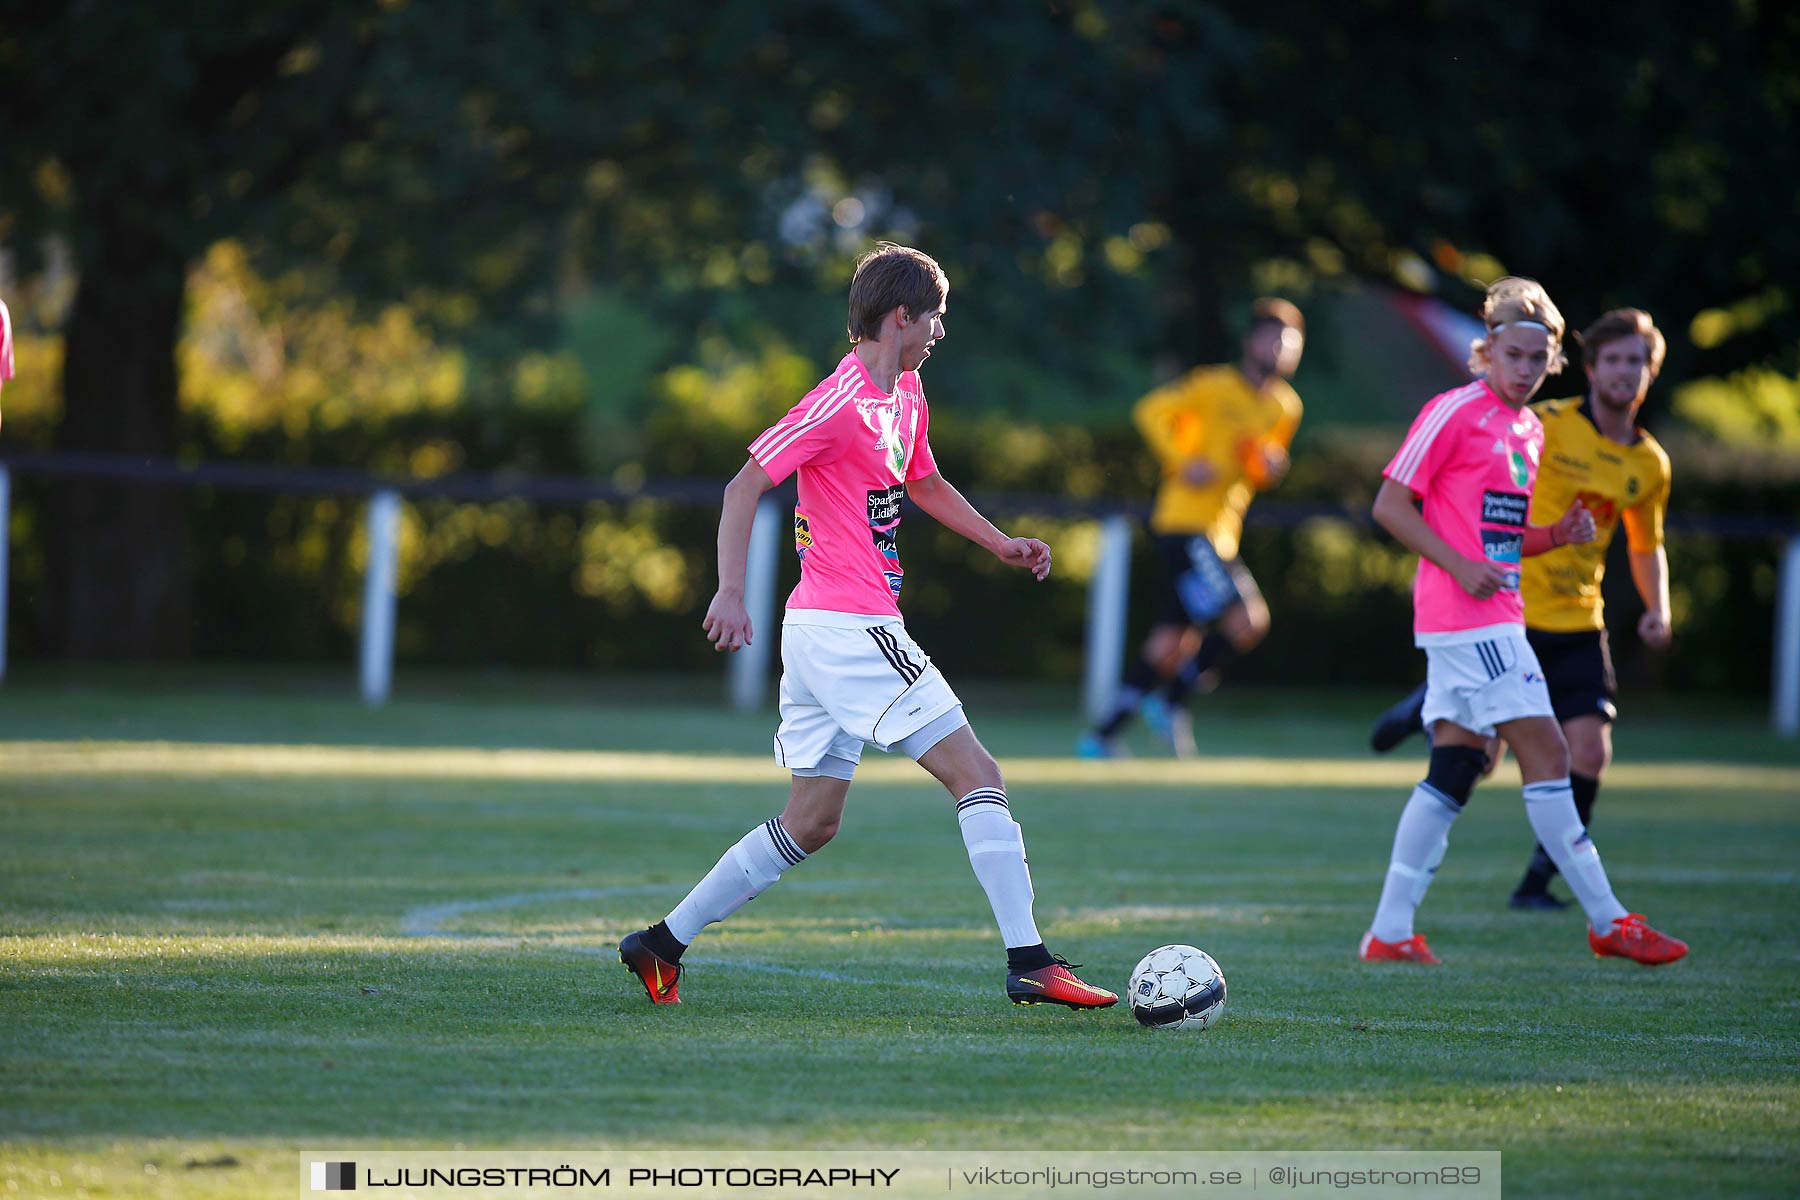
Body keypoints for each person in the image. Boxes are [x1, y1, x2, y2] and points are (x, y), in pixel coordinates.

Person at [618, 243, 1117, 1010]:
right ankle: (1031, 960)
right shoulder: (836, 403)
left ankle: (661, 944)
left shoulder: (907, 393)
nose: (940, 334)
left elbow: (924, 481)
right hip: (849, 629)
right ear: (899, 317)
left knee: (812, 822)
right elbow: (743, 485)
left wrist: (1000, 542)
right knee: (978, 775)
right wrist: (727, 591)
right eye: (936, 319)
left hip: (827, 635)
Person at [1358, 277, 1685, 967]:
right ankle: (1609, 920)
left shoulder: (1529, 429)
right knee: (1552, 754)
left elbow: (1497, 540)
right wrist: (1456, 564)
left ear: (1556, 359)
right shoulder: (1454, 410)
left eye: (1540, 359)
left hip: (1491, 613)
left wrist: (1555, 536)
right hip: (1471, 620)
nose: (1527, 370)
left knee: (1455, 768)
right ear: (1488, 351)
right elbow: (1390, 506)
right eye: (1514, 356)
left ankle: (1389, 931)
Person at [1078, 299, 1304, 758]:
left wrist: (1268, 468)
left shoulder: (1285, 407)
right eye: (1274, 338)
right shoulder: (1214, 384)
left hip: (1221, 531)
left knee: (1171, 641)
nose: (1281, 349)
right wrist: (1182, 460)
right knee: (1247, 619)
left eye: (1291, 343)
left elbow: (1260, 465)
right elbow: (1150, 411)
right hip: (1185, 524)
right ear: (1251, 342)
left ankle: (1101, 737)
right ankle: (1173, 699)